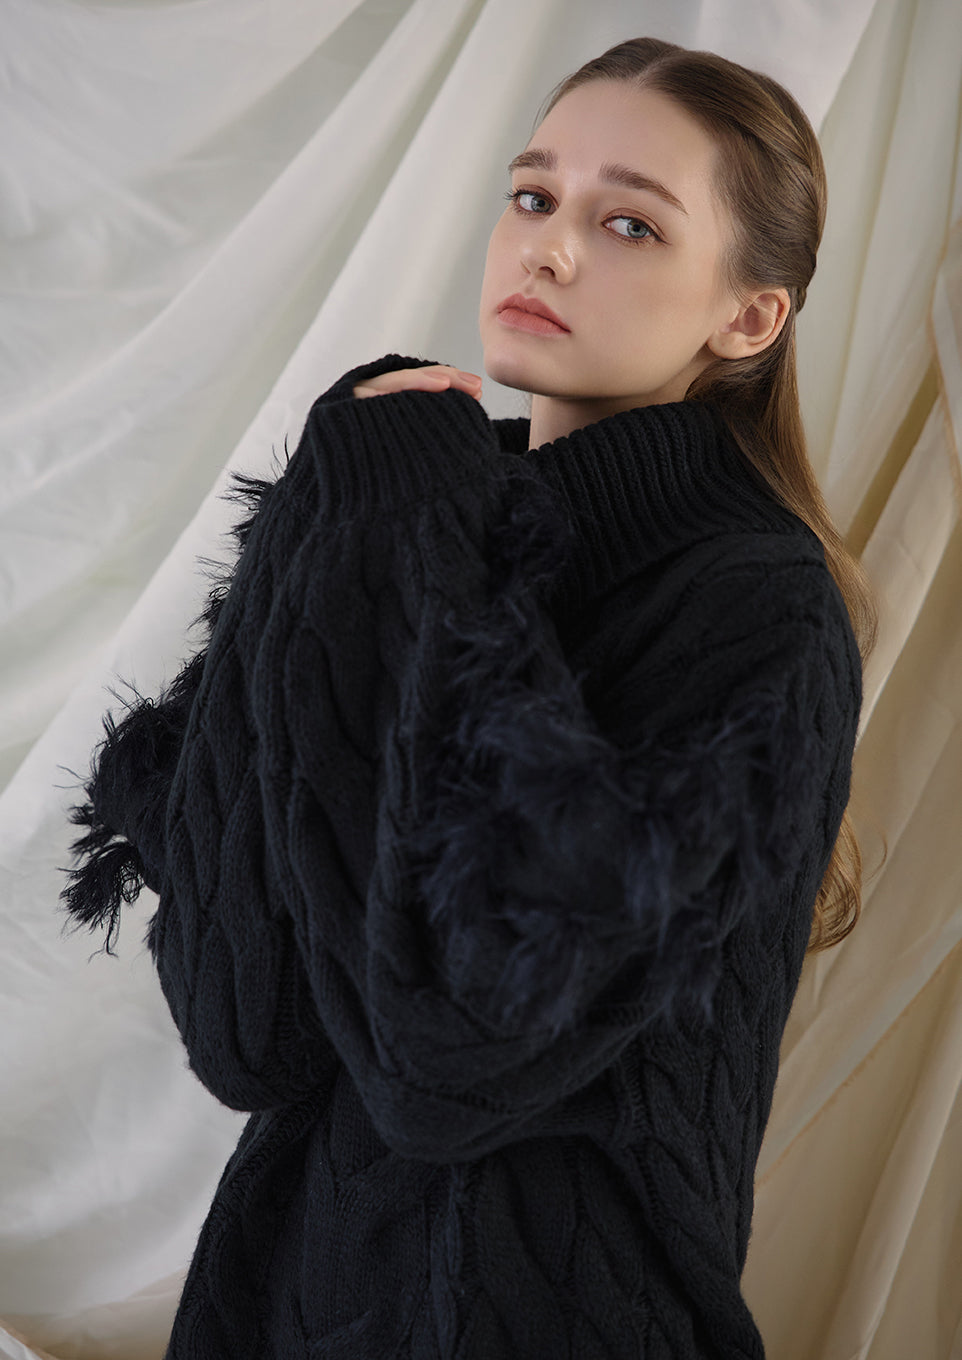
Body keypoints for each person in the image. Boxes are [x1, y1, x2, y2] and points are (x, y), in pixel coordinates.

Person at [62, 35, 878, 1360]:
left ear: (747, 318)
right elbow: (246, 1030)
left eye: (628, 223)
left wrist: (416, 536)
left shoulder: (758, 608)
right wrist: (337, 530)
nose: (548, 249)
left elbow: (450, 1056)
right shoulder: (406, 504)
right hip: (275, 1299)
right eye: (533, 195)